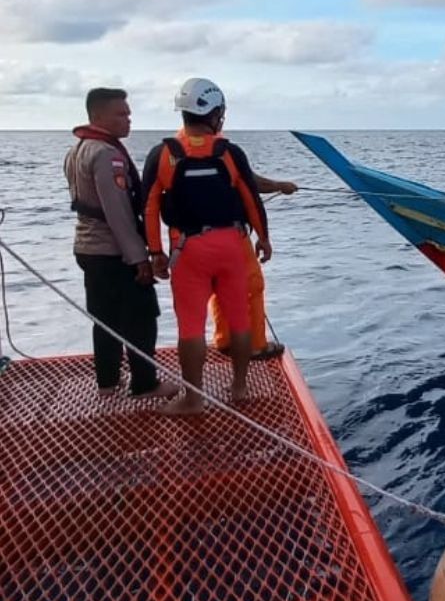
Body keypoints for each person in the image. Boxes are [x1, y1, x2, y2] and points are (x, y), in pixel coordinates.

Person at [142, 78, 271, 415]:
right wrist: (263, 238)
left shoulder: (163, 154)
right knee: (240, 319)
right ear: (215, 113)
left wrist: (154, 251)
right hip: (230, 244)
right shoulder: (230, 153)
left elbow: (149, 206)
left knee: (191, 327)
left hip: (188, 249)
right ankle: (240, 387)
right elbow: (251, 199)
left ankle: (194, 399)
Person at [63, 88, 179, 399]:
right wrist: (139, 258)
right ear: (97, 117)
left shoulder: (77, 150)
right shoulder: (107, 155)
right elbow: (118, 213)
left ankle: (107, 383)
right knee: (141, 317)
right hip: (112, 251)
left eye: (128, 113)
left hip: (87, 248)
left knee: (105, 319)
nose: (128, 119)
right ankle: (144, 384)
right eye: (120, 114)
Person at [211, 174, 295, 360]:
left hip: (191, 237)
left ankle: (224, 339)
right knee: (252, 286)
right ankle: (256, 345)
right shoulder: (225, 152)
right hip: (230, 233)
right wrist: (279, 185)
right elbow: (250, 181)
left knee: (219, 284)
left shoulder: (173, 153)